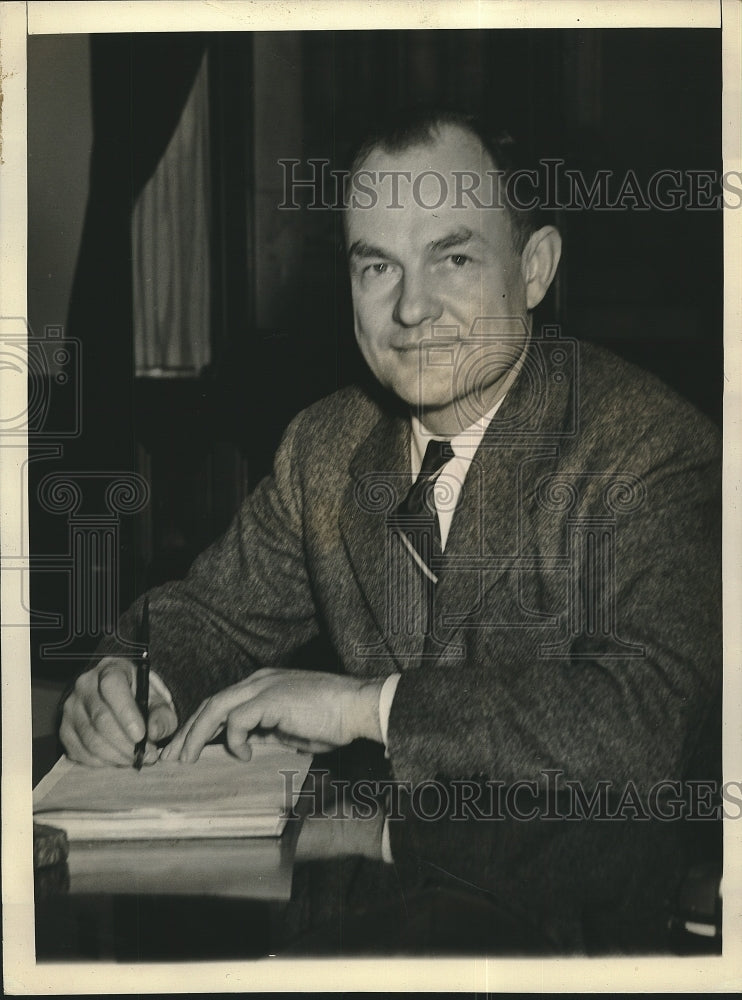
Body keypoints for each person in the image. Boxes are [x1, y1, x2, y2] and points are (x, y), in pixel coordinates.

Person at [59, 109, 721, 795]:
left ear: (534, 269)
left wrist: (364, 708)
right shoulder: (324, 447)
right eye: (378, 266)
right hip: (388, 856)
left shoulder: (652, 448)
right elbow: (209, 616)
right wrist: (135, 684)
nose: (410, 308)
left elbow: (650, 721)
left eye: (453, 258)